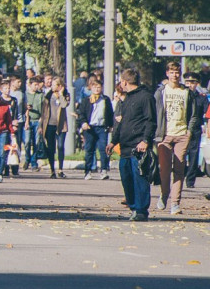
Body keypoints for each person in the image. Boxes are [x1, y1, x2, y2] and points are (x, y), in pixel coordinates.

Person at [112, 68, 156, 221]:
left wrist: (146, 140)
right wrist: (113, 141)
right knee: (127, 179)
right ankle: (133, 208)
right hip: (124, 146)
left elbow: (151, 121)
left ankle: (141, 210)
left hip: (138, 146)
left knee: (140, 179)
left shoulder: (146, 97)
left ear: (124, 82)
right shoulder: (127, 99)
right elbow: (123, 122)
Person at [154, 60, 195, 216]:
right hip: (164, 135)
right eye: (172, 72)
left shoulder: (186, 92)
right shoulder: (161, 92)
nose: (175, 75)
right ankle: (164, 194)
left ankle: (175, 203)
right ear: (167, 73)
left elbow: (194, 114)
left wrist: (189, 132)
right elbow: (155, 112)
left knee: (179, 169)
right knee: (164, 169)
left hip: (181, 134)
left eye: (177, 72)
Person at [78, 77, 113, 181]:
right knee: (89, 149)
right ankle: (87, 171)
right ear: (91, 88)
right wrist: (83, 123)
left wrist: (110, 125)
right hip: (90, 128)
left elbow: (110, 113)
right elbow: (82, 114)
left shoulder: (105, 99)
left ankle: (104, 170)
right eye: (94, 87)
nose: (97, 89)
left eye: (99, 87)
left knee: (103, 149)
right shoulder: (86, 100)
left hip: (102, 127)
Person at [42, 77, 70, 178]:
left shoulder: (66, 95)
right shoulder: (48, 95)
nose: (52, 86)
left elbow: (64, 105)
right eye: (52, 85)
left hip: (61, 125)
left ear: (60, 86)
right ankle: (52, 169)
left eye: (55, 85)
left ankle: (60, 169)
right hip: (49, 124)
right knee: (51, 148)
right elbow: (44, 110)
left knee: (60, 146)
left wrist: (61, 94)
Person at [184, 73, 206, 189]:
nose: (190, 85)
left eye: (192, 83)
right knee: (181, 154)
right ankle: (180, 176)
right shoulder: (182, 96)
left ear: (197, 84)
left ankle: (190, 180)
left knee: (193, 155)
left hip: (195, 129)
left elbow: (206, 114)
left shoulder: (201, 98)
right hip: (182, 128)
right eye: (187, 82)